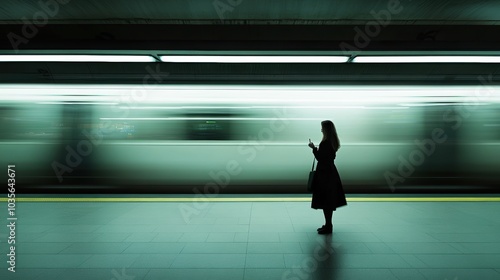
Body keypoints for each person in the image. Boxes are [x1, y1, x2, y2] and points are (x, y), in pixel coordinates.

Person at [308, 120, 347, 234]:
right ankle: (328, 224)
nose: (321, 129)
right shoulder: (333, 141)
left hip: (324, 174)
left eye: (322, 128)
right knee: (328, 201)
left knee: (326, 201)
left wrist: (313, 148)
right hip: (330, 172)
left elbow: (321, 158)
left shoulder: (325, 143)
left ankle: (328, 226)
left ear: (326, 129)